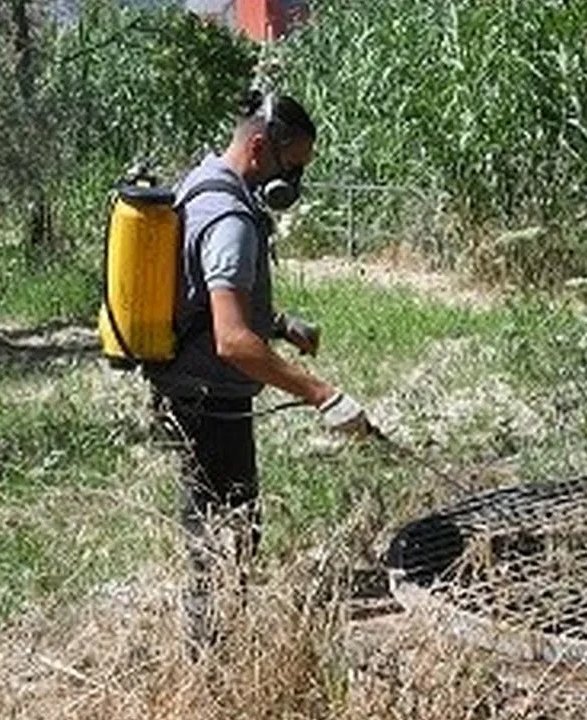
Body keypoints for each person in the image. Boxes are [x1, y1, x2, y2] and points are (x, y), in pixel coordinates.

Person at [143, 91, 369, 654]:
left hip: (187, 386)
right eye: (293, 166)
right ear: (262, 147)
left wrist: (281, 323)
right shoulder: (232, 219)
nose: (294, 180)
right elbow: (232, 340)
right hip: (209, 398)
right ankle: (213, 662)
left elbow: (200, 296)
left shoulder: (201, 181)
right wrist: (322, 394)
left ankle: (213, 642)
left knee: (215, 526)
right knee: (227, 533)